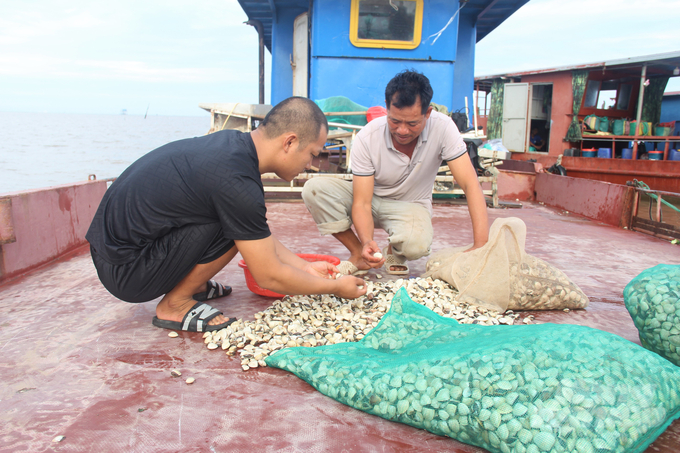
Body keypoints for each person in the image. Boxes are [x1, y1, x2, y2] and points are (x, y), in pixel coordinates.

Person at [86, 97, 367, 333]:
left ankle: (189, 282)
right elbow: (268, 275)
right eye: (311, 154)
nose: (311, 165)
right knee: (230, 225)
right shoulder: (237, 183)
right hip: (125, 271)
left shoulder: (234, 146)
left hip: (116, 251)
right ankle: (176, 304)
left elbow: (256, 233)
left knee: (234, 220)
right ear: (290, 142)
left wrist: (303, 268)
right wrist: (334, 288)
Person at [301, 70, 488, 277]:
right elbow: (362, 202)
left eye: (412, 123)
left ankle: (396, 253)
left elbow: (470, 185)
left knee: (416, 245)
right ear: (387, 107)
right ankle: (359, 254)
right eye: (395, 121)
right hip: (370, 200)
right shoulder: (368, 137)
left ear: (428, 113)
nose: (402, 131)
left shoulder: (443, 128)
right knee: (315, 189)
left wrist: (480, 246)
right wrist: (367, 241)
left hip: (411, 205)